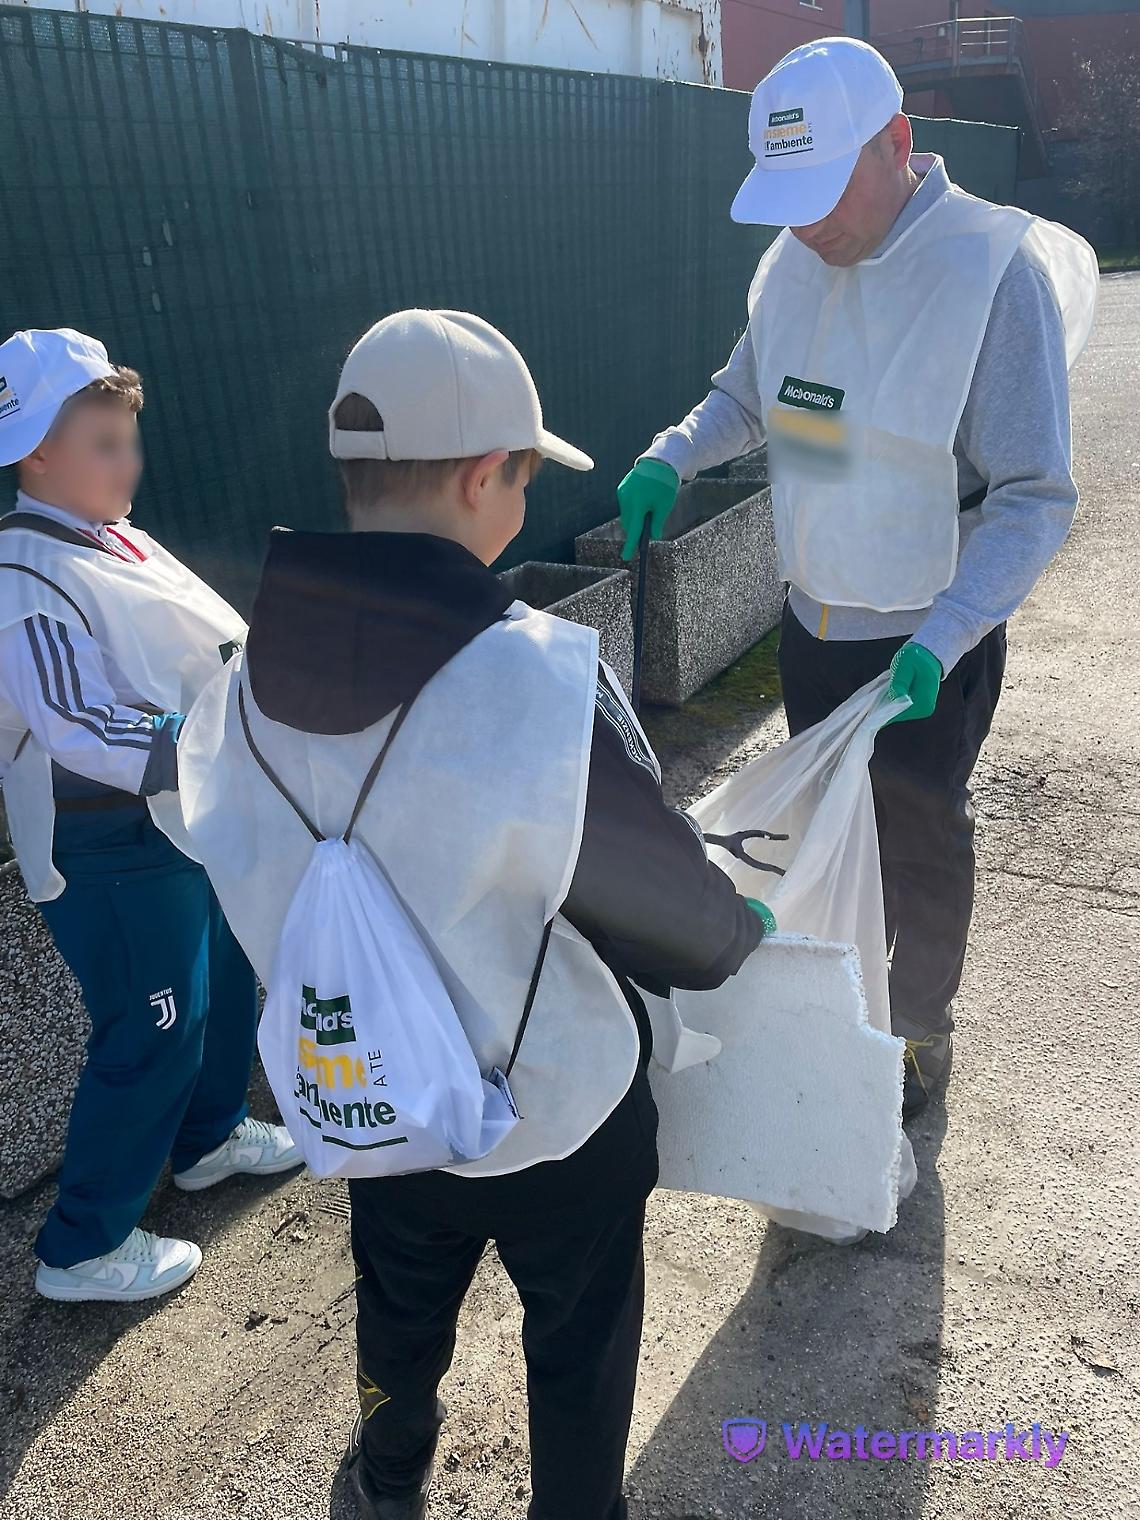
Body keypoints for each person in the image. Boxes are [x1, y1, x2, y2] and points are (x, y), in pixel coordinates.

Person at [175, 309, 773, 1520]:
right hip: (556, 1119)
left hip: (377, 1101)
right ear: (480, 475)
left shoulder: (231, 690)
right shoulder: (535, 677)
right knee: (578, 1345)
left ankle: (386, 1478)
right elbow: (689, 932)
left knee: (398, 1320)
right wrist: (742, 917)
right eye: (521, 473)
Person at [617, 37, 1097, 1118]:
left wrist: (948, 633)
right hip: (815, 618)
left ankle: (921, 1024)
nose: (807, 223)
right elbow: (749, 394)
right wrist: (676, 447)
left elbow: (1033, 494)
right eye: (787, 197)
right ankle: (841, 1006)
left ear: (899, 144)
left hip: (930, 634)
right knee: (834, 836)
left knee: (921, 838)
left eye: (824, 190)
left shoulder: (989, 272)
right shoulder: (794, 257)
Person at [0, 327, 302, 1304]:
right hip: (109, 838)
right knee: (150, 1026)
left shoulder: (110, 533)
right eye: (104, 441)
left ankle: (209, 1138)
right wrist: (215, 739)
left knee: (212, 978)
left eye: (130, 436)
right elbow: (79, 722)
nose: (129, 460)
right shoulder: (24, 578)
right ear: (35, 449)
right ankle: (80, 1244)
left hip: (177, 814)